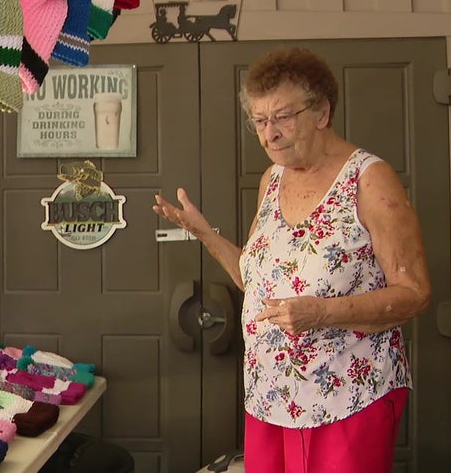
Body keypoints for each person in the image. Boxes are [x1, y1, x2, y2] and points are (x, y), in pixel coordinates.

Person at [152, 47, 430, 472]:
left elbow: (414, 294)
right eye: (260, 121)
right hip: (270, 396)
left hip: (348, 397)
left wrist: (322, 313)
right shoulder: (272, 179)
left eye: (282, 117)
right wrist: (205, 235)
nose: (269, 134)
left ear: (321, 113)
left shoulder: (369, 179)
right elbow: (260, 283)